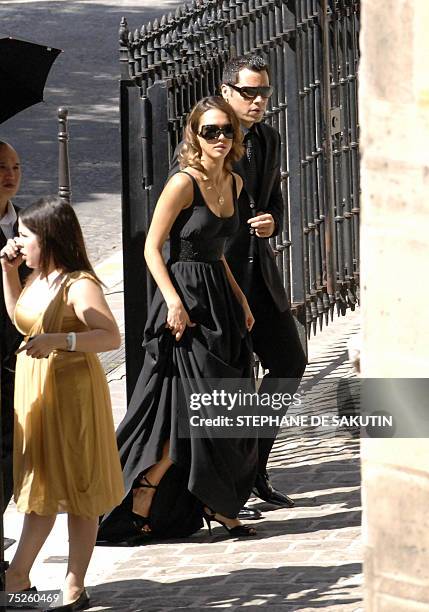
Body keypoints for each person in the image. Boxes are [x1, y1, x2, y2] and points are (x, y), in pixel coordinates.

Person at [98, 96, 258, 545]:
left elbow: (219, 253)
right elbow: (152, 246)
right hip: (184, 301)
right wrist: (171, 301)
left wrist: (241, 298)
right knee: (192, 404)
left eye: (227, 130)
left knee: (223, 403)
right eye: (211, 132)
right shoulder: (182, 183)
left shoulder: (236, 184)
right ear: (194, 135)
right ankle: (156, 492)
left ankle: (201, 498)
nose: (221, 139)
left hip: (218, 301)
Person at [170, 55, 307, 515]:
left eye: (263, 93)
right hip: (215, 280)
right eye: (248, 92)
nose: (257, 101)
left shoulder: (269, 140)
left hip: (259, 276)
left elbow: (273, 202)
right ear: (227, 92)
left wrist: (272, 223)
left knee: (289, 360)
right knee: (231, 383)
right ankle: (224, 491)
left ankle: (253, 468)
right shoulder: (207, 136)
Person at [0, 197, 124, 611]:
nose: (18, 242)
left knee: (79, 488)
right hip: (37, 391)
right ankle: (18, 576)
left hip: (72, 397)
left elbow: (109, 336)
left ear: (48, 240)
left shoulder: (78, 283)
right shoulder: (37, 277)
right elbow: (20, 317)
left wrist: (61, 340)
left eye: (25, 236)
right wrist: (7, 272)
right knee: (42, 488)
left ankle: (73, 583)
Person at [0, 140, 27, 512]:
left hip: (21, 354)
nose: (10, 175)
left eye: (16, 167)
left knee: (13, 449)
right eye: (2, 167)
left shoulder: (28, 223)